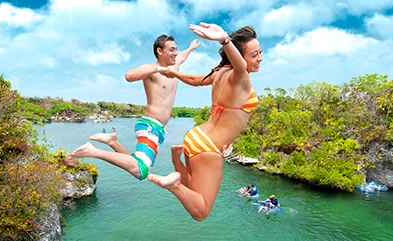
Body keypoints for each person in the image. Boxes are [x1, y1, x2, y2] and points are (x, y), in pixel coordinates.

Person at [148, 22, 263, 221]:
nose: (260, 58)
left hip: (196, 136)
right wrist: (224, 39)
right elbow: (241, 67)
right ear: (239, 56)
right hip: (209, 147)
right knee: (201, 212)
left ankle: (177, 163)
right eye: (254, 55)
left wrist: (175, 73)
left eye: (260, 52)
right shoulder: (239, 76)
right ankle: (174, 185)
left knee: (194, 191)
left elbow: (194, 79)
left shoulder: (220, 72)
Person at [66, 35, 201, 181]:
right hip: (150, 125)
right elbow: (129, 76)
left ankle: (112, 141)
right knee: (141, 170)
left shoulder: (175, 67)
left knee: (137, 161)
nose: (175, 53)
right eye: (172, 49)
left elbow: (182, 56)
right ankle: (92, 151)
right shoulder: (151, 69)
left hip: (158, 128)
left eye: (176, 49)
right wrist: (157, 69)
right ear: (160, 51)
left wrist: (191, 47)